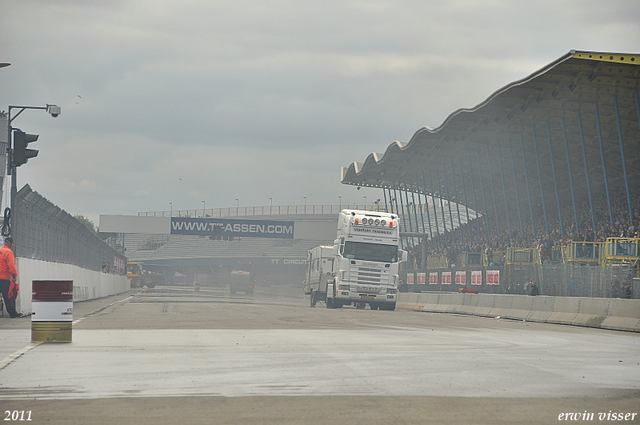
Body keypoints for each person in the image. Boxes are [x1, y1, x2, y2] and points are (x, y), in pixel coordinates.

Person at [0, 237, 21, 318]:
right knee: (9, 296)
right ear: (11, 244)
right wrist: (14, 275)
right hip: (4, 278)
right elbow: (11, 265)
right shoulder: (9, 252)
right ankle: (12, 313)